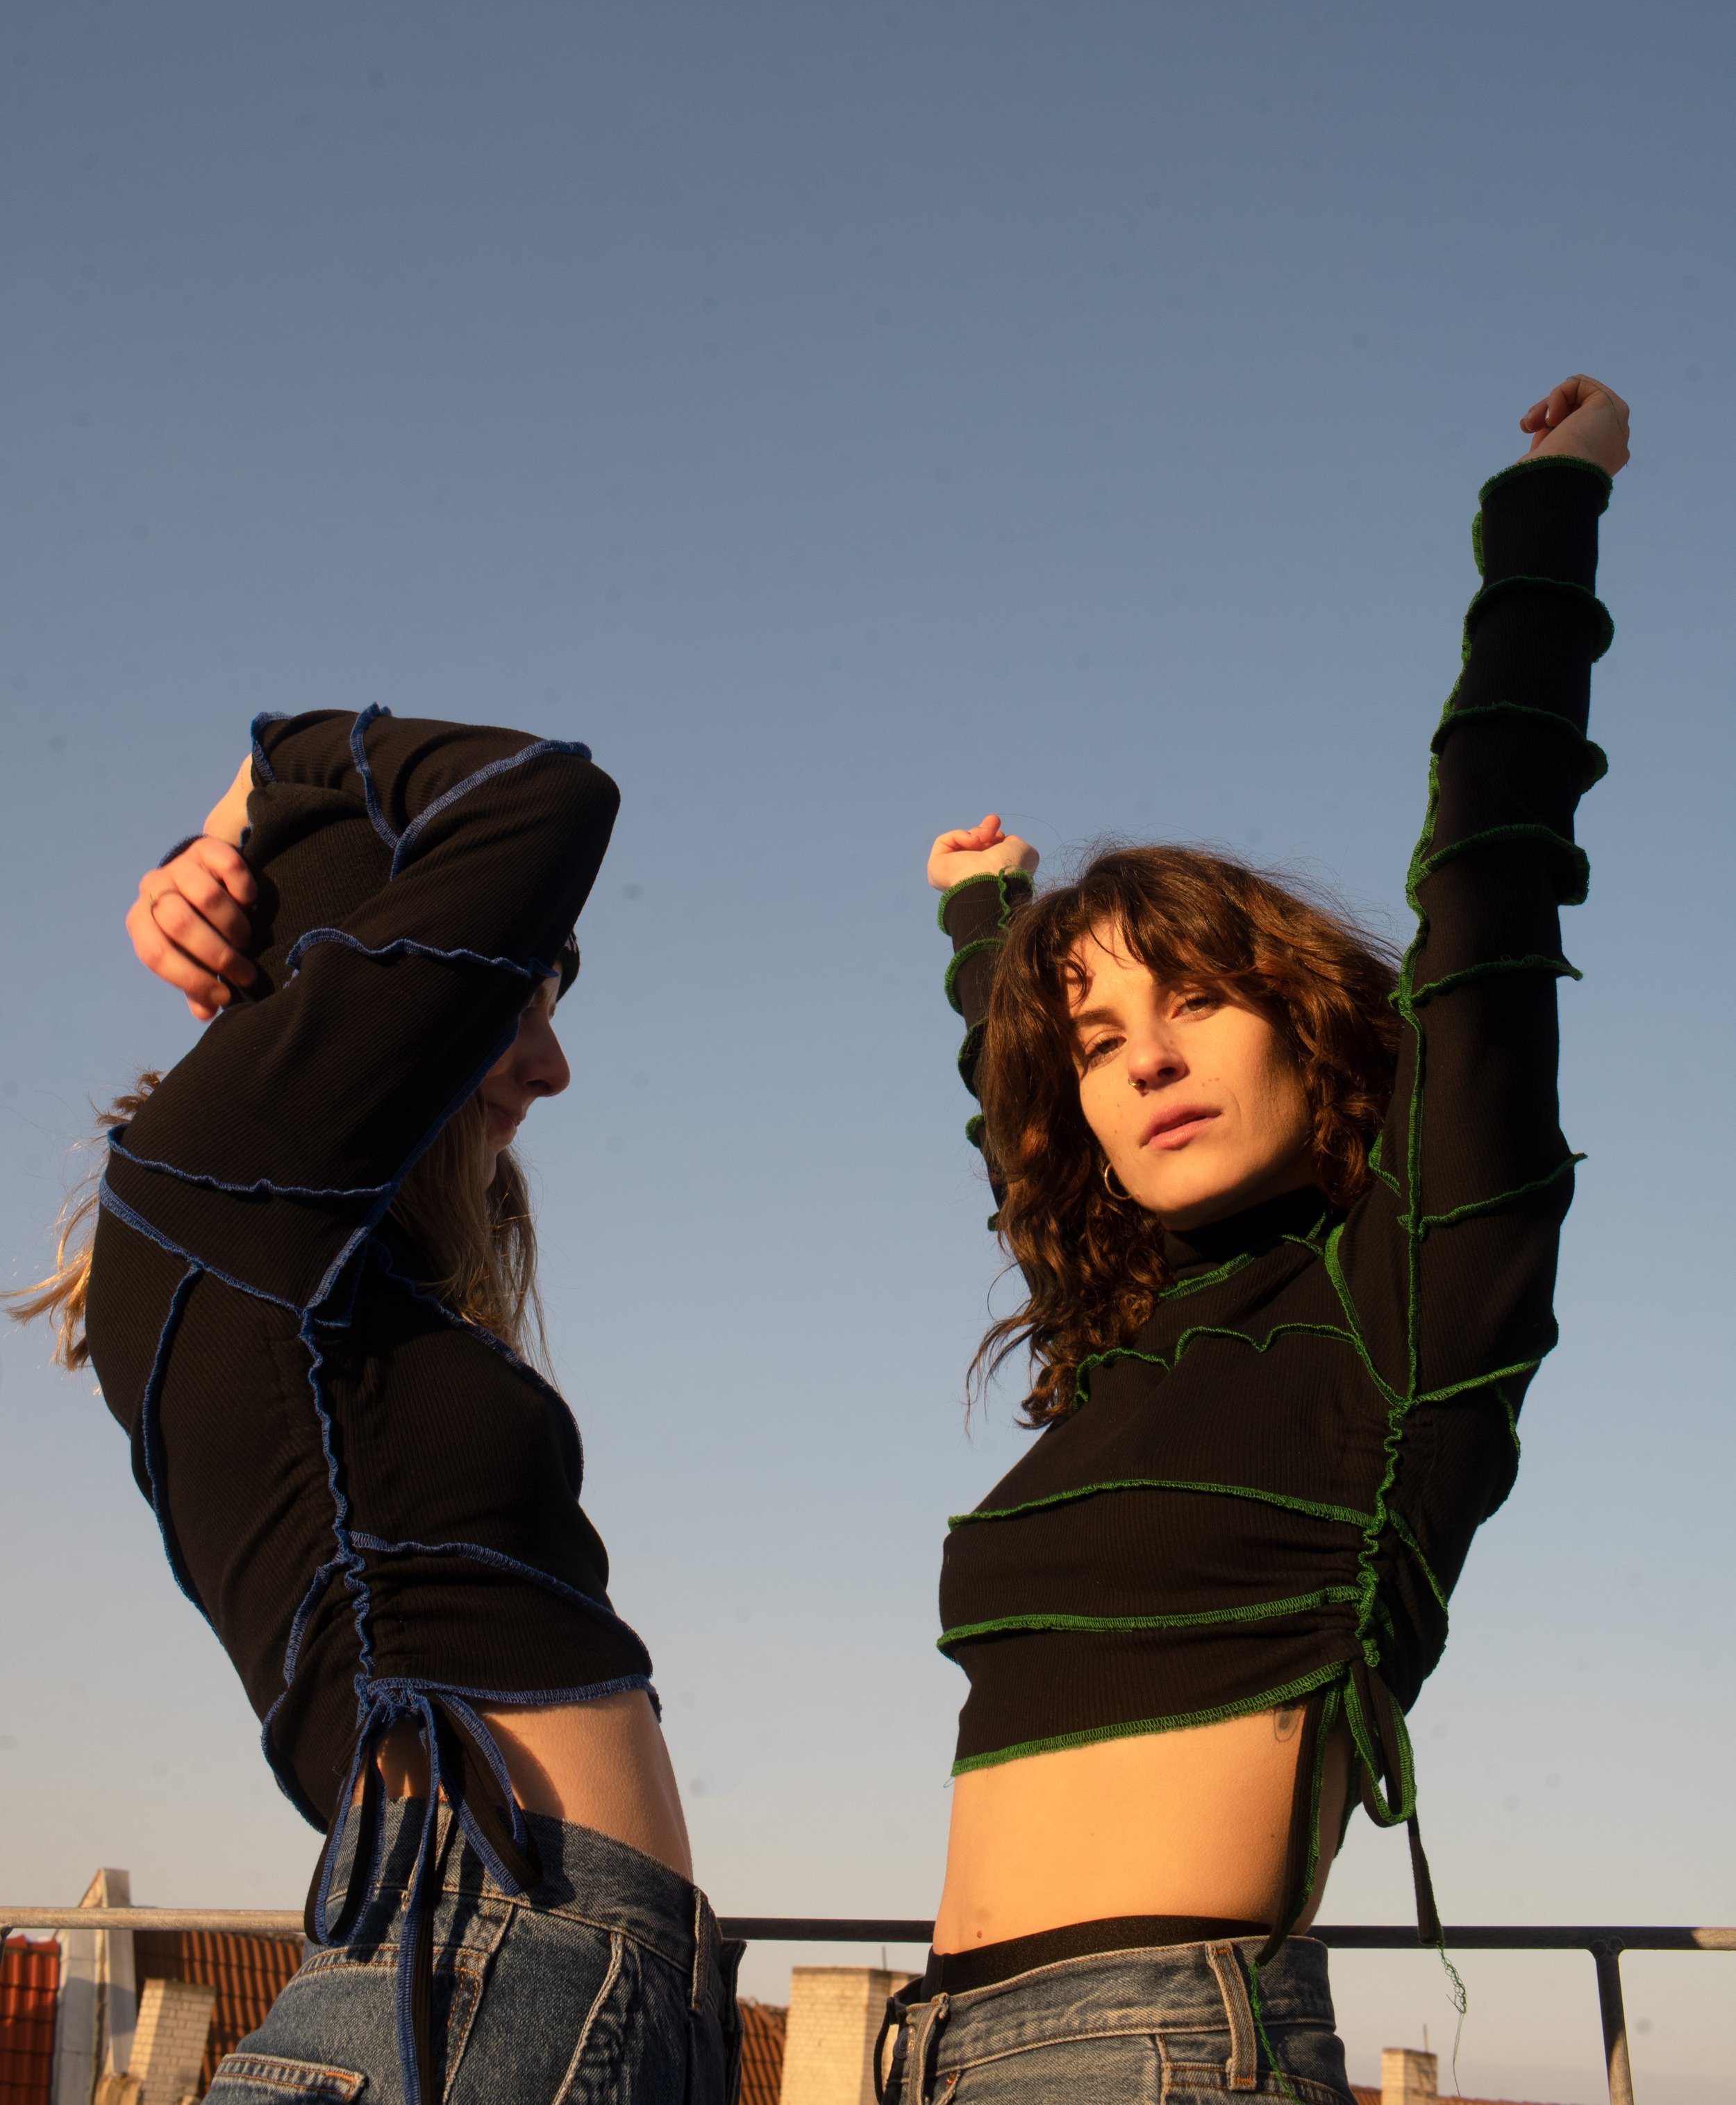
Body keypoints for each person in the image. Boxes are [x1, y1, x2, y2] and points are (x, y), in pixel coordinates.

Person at [889, 378, 1629, 2104]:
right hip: (940, 2048)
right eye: (1096, 1036)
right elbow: (1022, 1134)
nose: (1141, 1055)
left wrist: (1548, 509)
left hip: (1153, 2048)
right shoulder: (1128, 1334)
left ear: (1307, 1022)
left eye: (1197, 1001)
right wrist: (987, 930)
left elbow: (1488, 883)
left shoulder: (1404, 1286)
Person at [11, 708, 739, 2105]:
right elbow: (544, 795)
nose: (551, 1066)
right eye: (509, 1003)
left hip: (566, 1983)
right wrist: (261, 779)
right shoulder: (218, 1189)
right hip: (475, 1979)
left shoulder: (303, 1261)